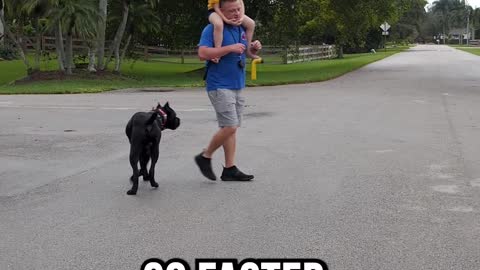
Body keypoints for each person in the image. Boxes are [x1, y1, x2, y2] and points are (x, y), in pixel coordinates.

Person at [195, 0, 262, 181]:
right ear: (221, 11)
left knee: (230, 128)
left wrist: (253, 47)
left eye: (239, 9)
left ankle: (229, 169)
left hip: (237, 83)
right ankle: (205, 156)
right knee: (230, 126)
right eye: (232, 11)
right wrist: (229, 48)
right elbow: (202, 54)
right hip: (219, 84)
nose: (236, 13)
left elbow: (246, 51)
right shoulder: (211, 29)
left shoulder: (240, 28)